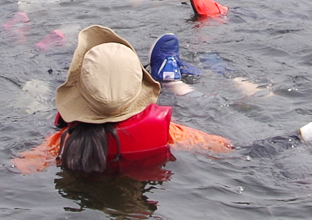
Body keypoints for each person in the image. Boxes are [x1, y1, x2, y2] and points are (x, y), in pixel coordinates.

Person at [12, 26, 233, 175]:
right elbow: (223, 148)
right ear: (139, 91)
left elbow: (21, 168)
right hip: (144, 192)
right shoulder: (168, 132)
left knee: (34, 89)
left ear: (79, 97)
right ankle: (172, 82)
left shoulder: (61, 142)